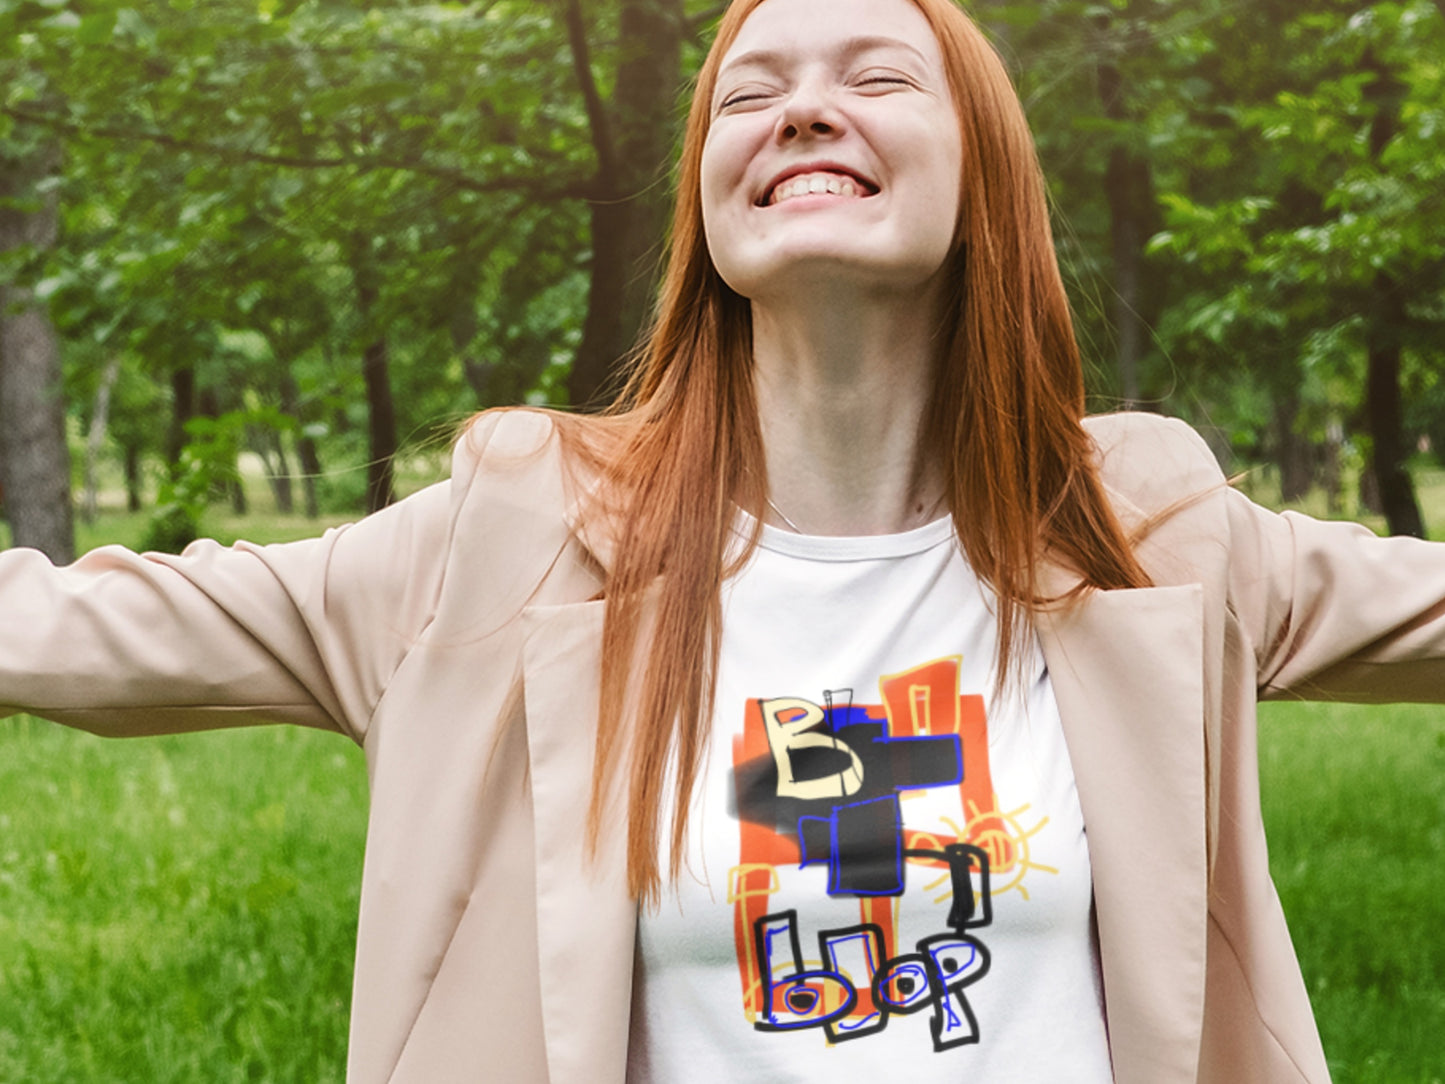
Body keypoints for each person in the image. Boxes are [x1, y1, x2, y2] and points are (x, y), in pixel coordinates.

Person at [1, 0, 1441, 1080]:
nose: (803, 111)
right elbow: (77, 632)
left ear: (982, 174)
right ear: (706, 195)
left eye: (875, 76)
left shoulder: (1148, 527)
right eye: (749, 94)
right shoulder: (505, 542)